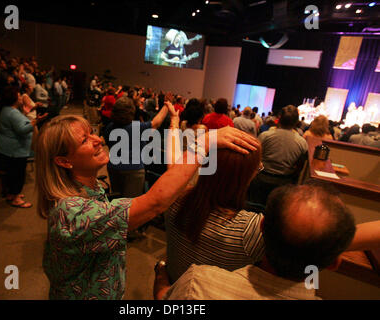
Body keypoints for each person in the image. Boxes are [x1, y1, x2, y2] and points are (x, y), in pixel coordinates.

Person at [35, 101, 259, 300]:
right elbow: (155, 201)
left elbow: (171, 177)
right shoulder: (71, 211)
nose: (97, 139)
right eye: (85, 139)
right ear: (64, 161)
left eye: (92, 132)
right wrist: (203, 143)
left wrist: (174, 120)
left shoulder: (88, 189)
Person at [155, 183, 357, 300]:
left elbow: (164, 298)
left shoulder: (197, 283)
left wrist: (161, 273)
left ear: (261, 227)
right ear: (334, 263)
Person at [165, 144, 264, 283]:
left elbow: (173, 168)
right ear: (246, 177)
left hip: (172, 285)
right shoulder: (251, 230)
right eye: (258, 168)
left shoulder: (173, 198)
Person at [248, 105, 308, 207]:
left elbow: (254, 157)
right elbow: (300, 167)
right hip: (284, 185)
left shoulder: (265, 136)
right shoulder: (302, 143)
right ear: (296, 122)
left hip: (261, 180)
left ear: (279, 119)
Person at [0, 86, 44, 208]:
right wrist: (35, 122)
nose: (21, 97)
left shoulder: (6, 109)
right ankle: (16, 198)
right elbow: (22, 130)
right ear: (14, 99)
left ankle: (11, 194)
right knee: (18, 174)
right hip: (15, 149)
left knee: (11, 172)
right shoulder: (12, 113)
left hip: (8, 147)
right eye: (19, 96)